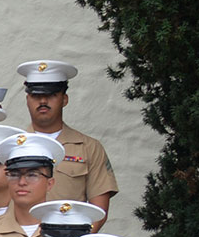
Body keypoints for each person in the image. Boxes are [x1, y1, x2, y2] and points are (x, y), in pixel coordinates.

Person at [14, 59, 120, 210]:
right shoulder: (12, 148)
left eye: (51, 95)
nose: (43, 101)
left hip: (70, 233)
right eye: (36, 96)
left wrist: (78, 234)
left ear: (64, 99)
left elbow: (99, 210)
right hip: (20, 233)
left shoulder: (89, 148)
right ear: (27, 100)